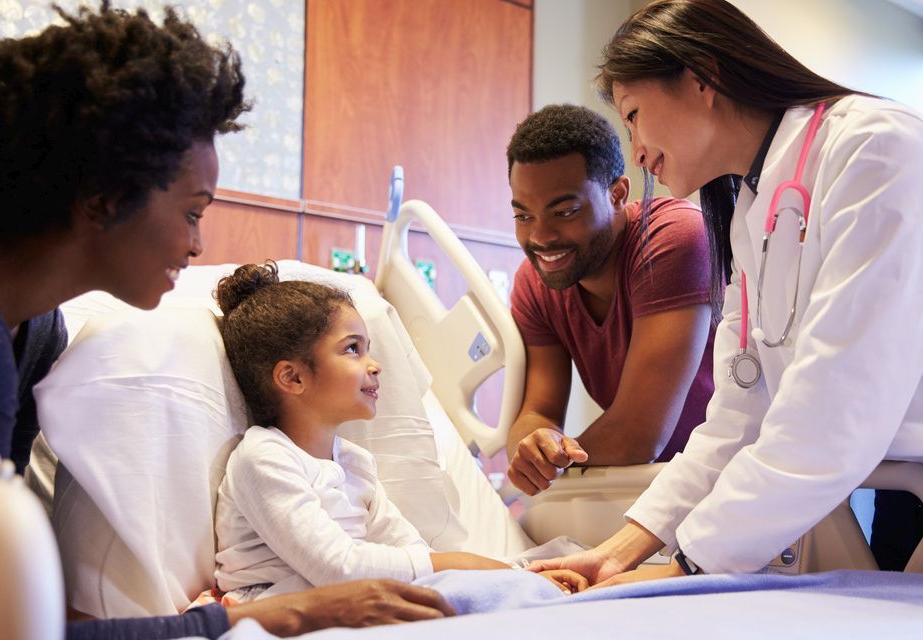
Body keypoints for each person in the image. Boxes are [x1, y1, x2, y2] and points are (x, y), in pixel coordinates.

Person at [0, 2, 455, 636]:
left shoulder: (32, 336)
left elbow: (15, 615)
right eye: (193, 212)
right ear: (105, 201)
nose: (197, 246)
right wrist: (268, 615)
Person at [529, 0, 923, 584]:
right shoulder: (750, 213)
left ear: (702, 78)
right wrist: (618, 553)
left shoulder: (877, 147)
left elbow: (834, 410)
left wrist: (685, 566)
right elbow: (737, 418)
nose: (635, 149)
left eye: (634, 114)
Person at [212, 263, 587, 600]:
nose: (375, 365)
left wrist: (502, 575)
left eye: (368, 348)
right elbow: (338, 567)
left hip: (351, 598)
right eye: (353, 349)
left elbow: (413, 552)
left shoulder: (356, 463)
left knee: (526, 571)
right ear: (292, 377)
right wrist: (472, 568)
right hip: (279, 606)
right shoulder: (262, 459)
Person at [505, 103, 716, 496]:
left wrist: (557, 469)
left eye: (564, 212)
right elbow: (538, 410)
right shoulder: (535, 284)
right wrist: (532, 447)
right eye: (523, 216)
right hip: (658, 489)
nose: (541, 237)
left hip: (746, 477)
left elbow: (638, 434)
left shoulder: (672, 239)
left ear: (618, 194)